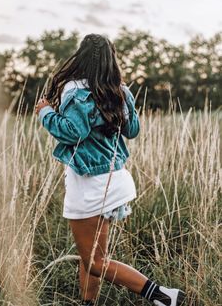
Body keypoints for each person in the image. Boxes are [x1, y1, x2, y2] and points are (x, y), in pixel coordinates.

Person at [35, 33, 186, 306]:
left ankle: (163, 296)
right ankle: (88, 303)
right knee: (91, 256)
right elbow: (133, 130)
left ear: (80, 57)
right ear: (110, 60)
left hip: (90, 182)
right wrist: (124, 96)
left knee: (94, 261)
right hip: (115, 179)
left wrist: (46, 112)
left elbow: (73, 132)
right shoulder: (119, 90)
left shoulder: (76, 91)